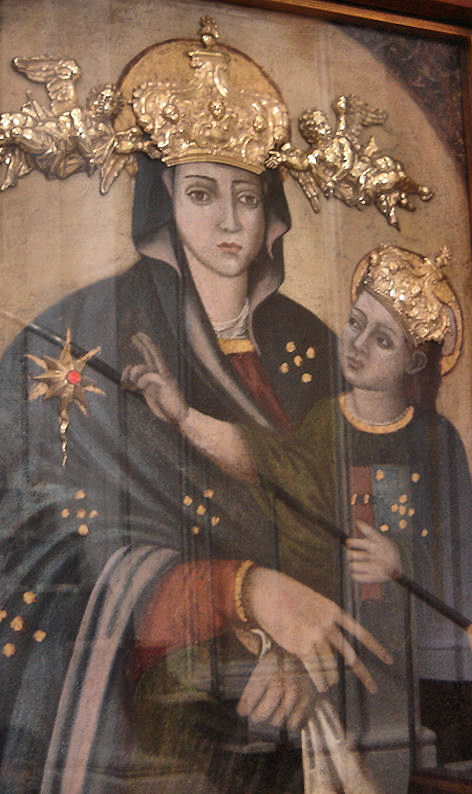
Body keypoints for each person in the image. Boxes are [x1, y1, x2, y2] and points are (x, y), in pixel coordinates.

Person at [0, 21, 391, 794]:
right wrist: (240, 591)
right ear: (164, 205)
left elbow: (361, 510)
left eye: (247, 197)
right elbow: (34, 547)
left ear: (272, 214)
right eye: (202, 194)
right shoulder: (86, 331)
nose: (230, 222)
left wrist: (310, 651)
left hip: (297, 705)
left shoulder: (314, 347)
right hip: (147, 721)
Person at [129, 242, 472, 783]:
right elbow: (266, 462)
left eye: (382, 339)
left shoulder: (435, 439)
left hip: (395, 653)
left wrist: (399, 561)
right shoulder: (325, 421)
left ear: (414, 361)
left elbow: (459, 553)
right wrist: (183, 415)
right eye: (356, 323)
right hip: (319, 628)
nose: (357, 344)